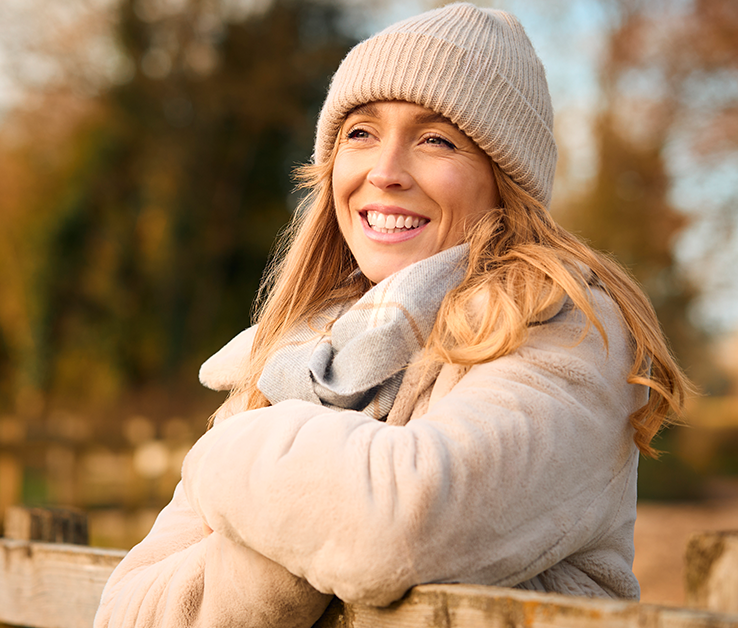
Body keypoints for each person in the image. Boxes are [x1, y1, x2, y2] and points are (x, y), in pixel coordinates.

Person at [94, 3, 690, 627]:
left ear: (503, 178)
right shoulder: (297, 358)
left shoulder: (564, 327)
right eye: (361, 133)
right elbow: (126, 611)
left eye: (436, 139)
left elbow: (396, 529)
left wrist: (224, 457)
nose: (384, 171)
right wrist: (302, 544)